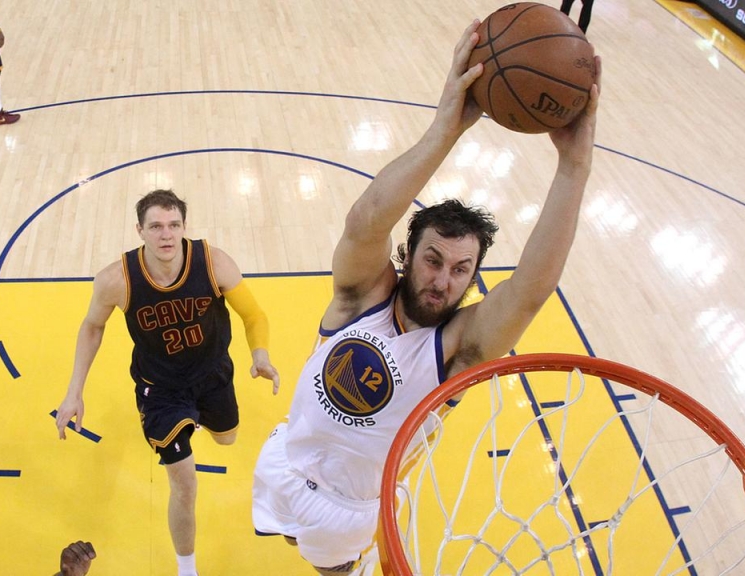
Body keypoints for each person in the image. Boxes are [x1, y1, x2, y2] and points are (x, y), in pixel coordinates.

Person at [251, 19, 601, 576]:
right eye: (433, 260)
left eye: (462, 270)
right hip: (286, 460)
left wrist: (574, 165)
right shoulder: (360, 295)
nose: (443, 280)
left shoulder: (458, 348)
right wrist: (446, 130)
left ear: (472, 280)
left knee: (329, 569)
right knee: (289, 539)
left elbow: (531, 291)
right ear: (407, 257)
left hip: (351, 506)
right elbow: (366, 220)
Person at [56, 189, 281, 576]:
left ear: (184, 227)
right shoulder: (117, 280)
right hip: (159, 389)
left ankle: (198, 419)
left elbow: (254, 314)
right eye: (156, 226)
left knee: (227, 437)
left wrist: (259, 353)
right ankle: (187, 568)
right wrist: (74, 390)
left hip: (212, 373)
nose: (166, 235)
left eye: (174, 225)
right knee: (185, 484)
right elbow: (92, 326)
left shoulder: (212, 263)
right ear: (139, 230)